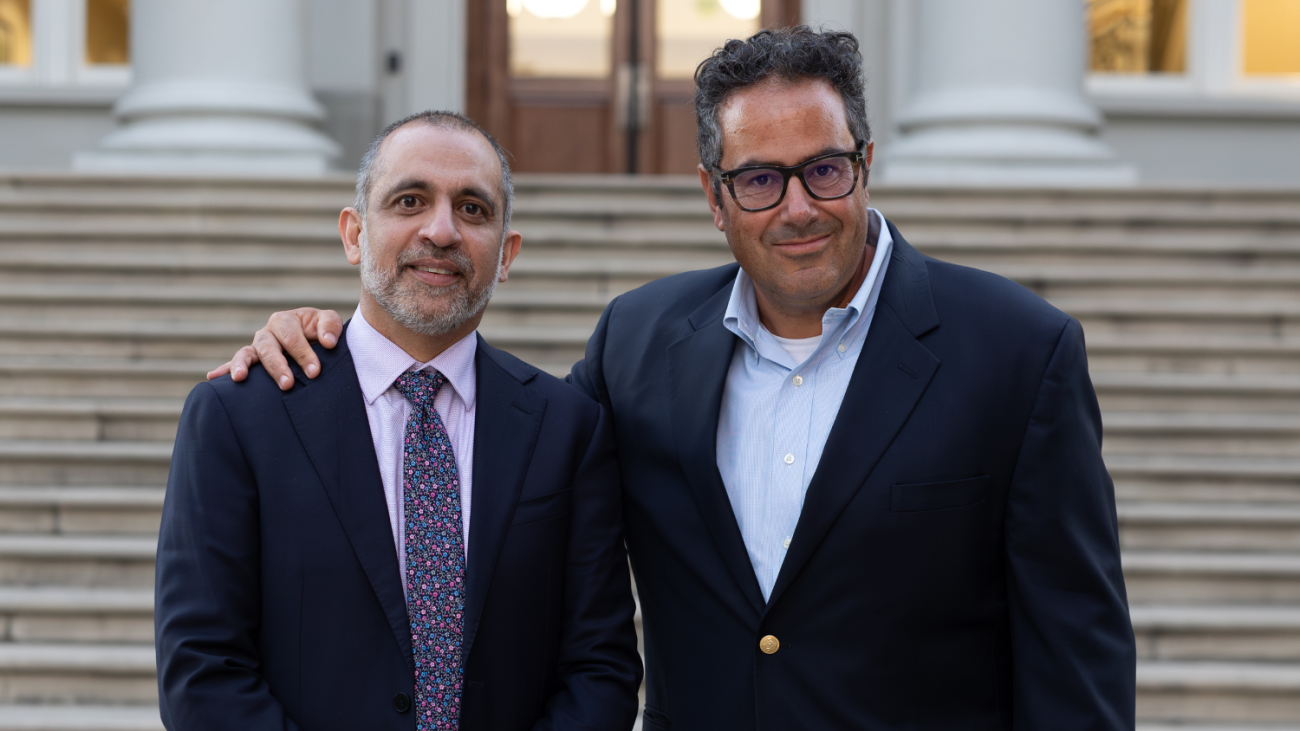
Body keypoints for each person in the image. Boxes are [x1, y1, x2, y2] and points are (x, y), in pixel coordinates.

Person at [212, 28, 1135, 730]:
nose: (800, 208)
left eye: (824, 170)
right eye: (761, 180)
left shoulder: (1019, 352)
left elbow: (1076, 656)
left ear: (865, 164)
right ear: (713, 195)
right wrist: (332, 340)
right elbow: (499, 438)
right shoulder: (639, 344)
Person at [157, 111, 642, 731]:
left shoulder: (568, 427)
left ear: (506, 253)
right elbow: (202, 669)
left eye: (472, 209)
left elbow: (600, 669)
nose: (440, 232)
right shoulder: (238, 415)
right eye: (409, 201)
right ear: (354, 234)